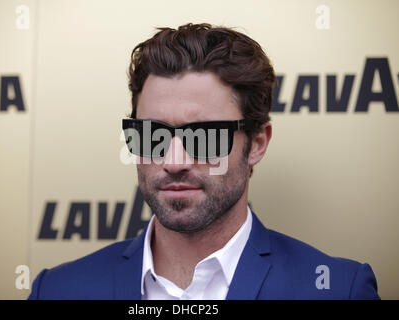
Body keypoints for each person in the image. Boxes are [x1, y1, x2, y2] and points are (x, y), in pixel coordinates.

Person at [28, 23, 379, 300]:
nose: (174, 160)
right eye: (153, 135)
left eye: (203, 137)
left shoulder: (336, 289)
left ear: (257, 143)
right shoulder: (59, 290)